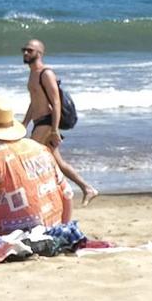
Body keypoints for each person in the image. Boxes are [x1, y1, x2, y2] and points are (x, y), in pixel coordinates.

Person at [0, 97, 71, 238]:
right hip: (53, 231)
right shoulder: (39, 148)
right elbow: (67, 193)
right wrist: (64, 228)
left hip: (13, 236)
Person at [21, 39, 98, 206]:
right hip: (39, 122)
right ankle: (87, 188)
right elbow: (34, 101)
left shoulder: (46, 73)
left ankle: (39, 196)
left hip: (47, 123)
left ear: (39, 53)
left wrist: (55, 129)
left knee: (29, 157)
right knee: (57, 162)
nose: (26, 53)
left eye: (29, 50)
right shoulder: (32, 74)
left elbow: (56, 102)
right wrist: (25, 123)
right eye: (24, 50)